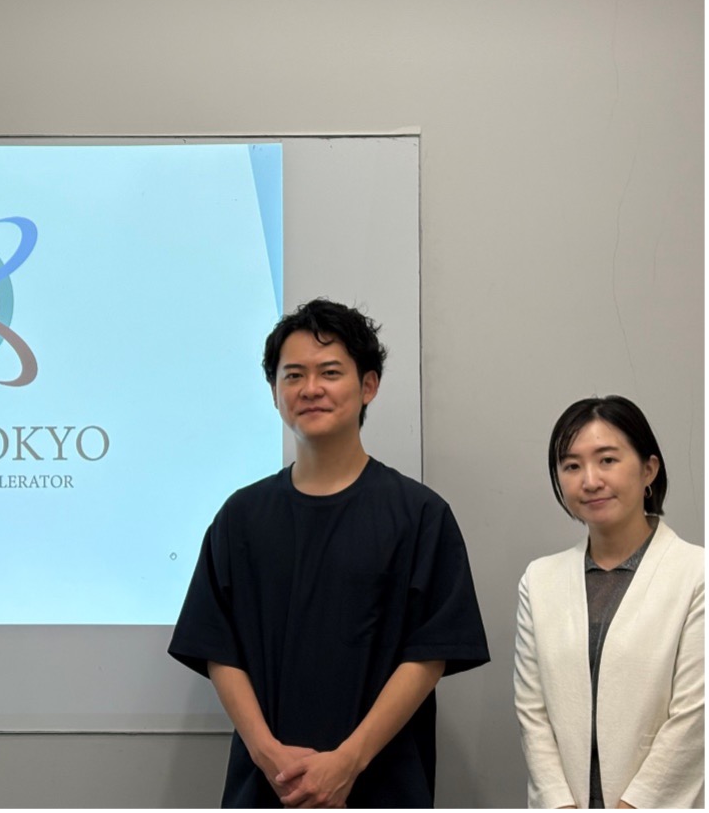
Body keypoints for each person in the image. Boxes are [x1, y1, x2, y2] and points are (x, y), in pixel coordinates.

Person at [169, 298, 489, 808]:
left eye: (330, 372)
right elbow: (217, 649)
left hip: (382, 784)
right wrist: (269, 755)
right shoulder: (241, 517)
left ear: (368, 386)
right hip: (266, 786)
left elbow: (429, 654)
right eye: (293, 375)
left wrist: (347, 762)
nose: (310, 388)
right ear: (274, 392)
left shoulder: (420, 515)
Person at [514, 396, 704, 809]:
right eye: (571, 466)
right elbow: (533, 713)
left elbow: (696, 714)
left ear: (648, 469)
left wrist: (633, 806)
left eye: (607, 460)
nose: (590, 480)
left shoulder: (696, 574)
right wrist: (560, 804)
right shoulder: (539, 580)